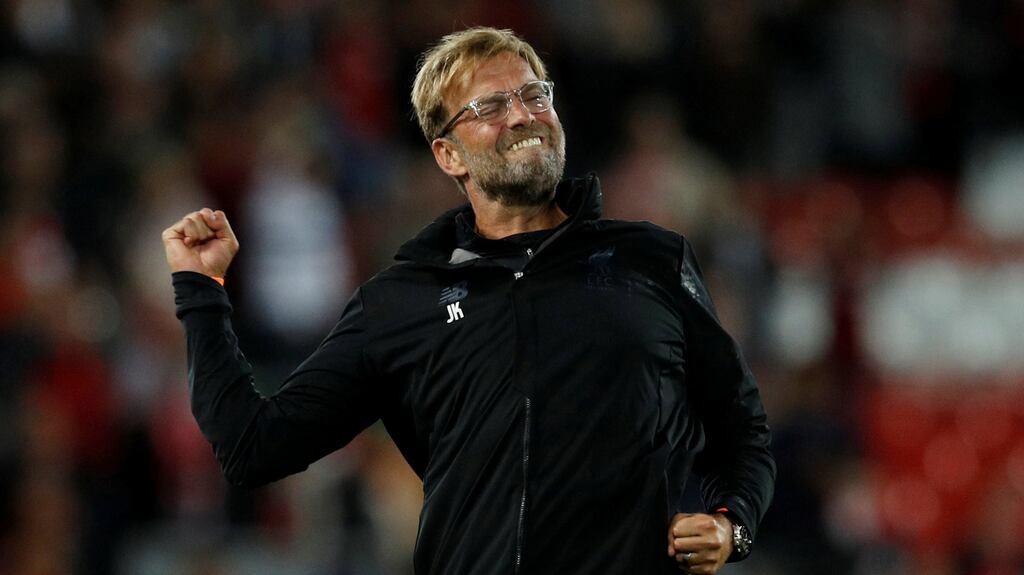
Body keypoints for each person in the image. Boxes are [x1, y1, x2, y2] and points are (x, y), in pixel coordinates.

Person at [163, 27, 775, 575]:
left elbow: (742, 430)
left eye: (536, 95)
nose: (523, 115)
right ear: (447, 153)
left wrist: (731, 524)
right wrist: (200, 291)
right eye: (490, 106)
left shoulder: (652, 259)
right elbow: (252, 448)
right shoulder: (401, 301)